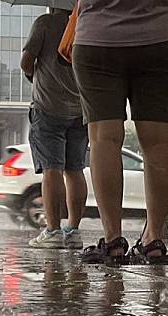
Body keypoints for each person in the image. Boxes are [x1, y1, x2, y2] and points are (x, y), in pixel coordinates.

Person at [73, 1, 168, 263]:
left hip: (97, 39)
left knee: (104, 138)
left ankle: (113, 241)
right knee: (159, 143)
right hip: (158, 38)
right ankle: (154, 240)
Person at [20, 7, 88, 249]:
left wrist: (35, 75)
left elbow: (26, 62)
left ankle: (53, 231)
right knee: (75, 170)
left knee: (52, 170)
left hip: (48, 108)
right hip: (80, 110)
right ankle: (73, 231)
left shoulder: (45, 23)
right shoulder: (86, 22)